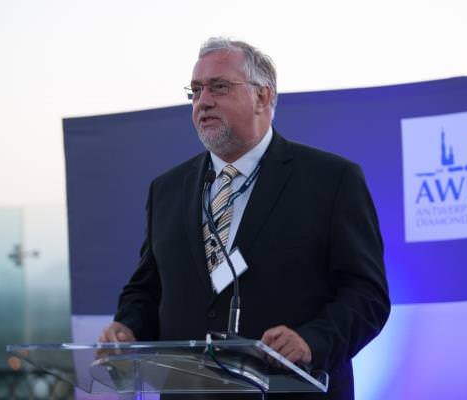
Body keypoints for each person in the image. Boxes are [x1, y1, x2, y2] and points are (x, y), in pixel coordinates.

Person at [99, 37, 390, 400]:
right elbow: (147, 288)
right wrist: (127, 327)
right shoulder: (167, 190)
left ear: (263, 97)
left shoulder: (331, 180)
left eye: (219, 87)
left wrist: (312, 341)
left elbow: (367, 295)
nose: (203, 101)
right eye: (195, 90)